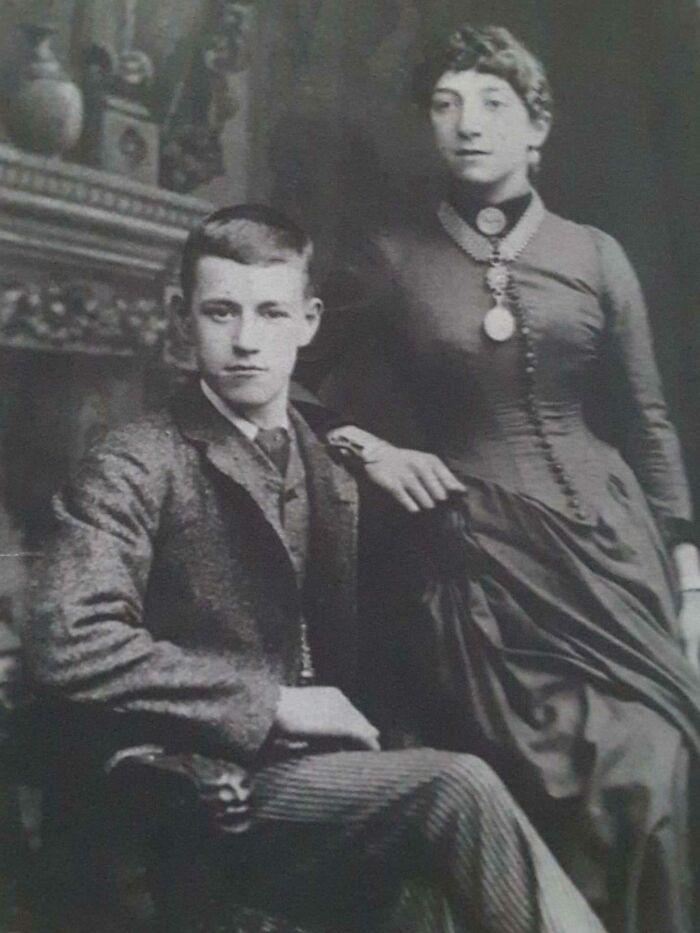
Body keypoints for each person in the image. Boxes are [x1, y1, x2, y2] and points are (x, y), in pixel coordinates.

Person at [22, 204, 602, 933]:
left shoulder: (334, 456)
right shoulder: (136, 458)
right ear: (182, 318)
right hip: (202, 787)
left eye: (270, 312)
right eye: (221, 311)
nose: (245, 340)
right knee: (456, 788)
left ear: (310, 321)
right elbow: (66, 639)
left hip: (329, 777)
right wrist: (275, 702)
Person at [318, 25, 700, 933]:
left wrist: (691, 575)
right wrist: (372, 450)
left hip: (614, 560)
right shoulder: (388, 255)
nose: (467, 124)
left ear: (538, 129)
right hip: (473, 564)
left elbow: (647, 421)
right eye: (445, 105)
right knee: (548, 776)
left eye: (494, 103)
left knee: (658, 760)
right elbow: (287, 385)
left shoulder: (598, 255)